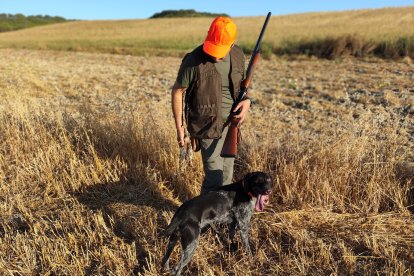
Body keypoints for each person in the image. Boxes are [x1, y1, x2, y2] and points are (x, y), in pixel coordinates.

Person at [171, 16, 251, 194]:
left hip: (231, 124)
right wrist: (180, 128)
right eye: (212, 47)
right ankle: (204, 218)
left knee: (227, 174)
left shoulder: (238, 55)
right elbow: (177, 91)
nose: (214, 55)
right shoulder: (193, 60)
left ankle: (221, 216)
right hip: (206, 125)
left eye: (220, 50)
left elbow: (243, 87)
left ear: (232, 44)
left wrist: (247, 101)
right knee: (214, 179)